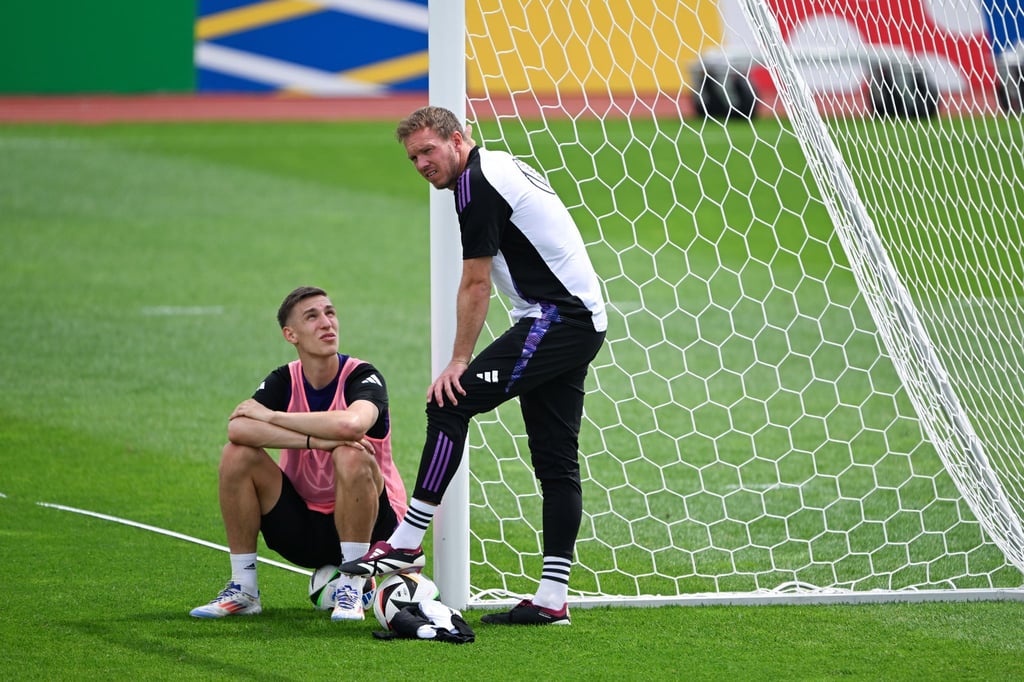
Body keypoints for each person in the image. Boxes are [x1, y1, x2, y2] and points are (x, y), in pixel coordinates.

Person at [339, 106, 607, 626]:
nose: (421, 164)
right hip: (574, 318)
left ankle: (407, 541)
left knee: (448, 399)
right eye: (413, 157)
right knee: (555, 461)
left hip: (558, 318)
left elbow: (476, 283)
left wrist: (458, 360)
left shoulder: (476, 185)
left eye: (428, 151)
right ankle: (552, 599)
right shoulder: (497, 166)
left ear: (457, 140)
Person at [190, 286, 408, 622]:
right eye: (313, 316)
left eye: (330, 313)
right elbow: (238, 429)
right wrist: (317, 442)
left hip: (374, 528)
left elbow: (352, 424)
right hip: (302, 528)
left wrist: (274, 417)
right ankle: (244, 588)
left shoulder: (363, 376)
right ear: (290, 334)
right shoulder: (284, 379)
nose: (327, 323)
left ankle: (352, 582)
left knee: (350, 453)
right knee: (236, 454)